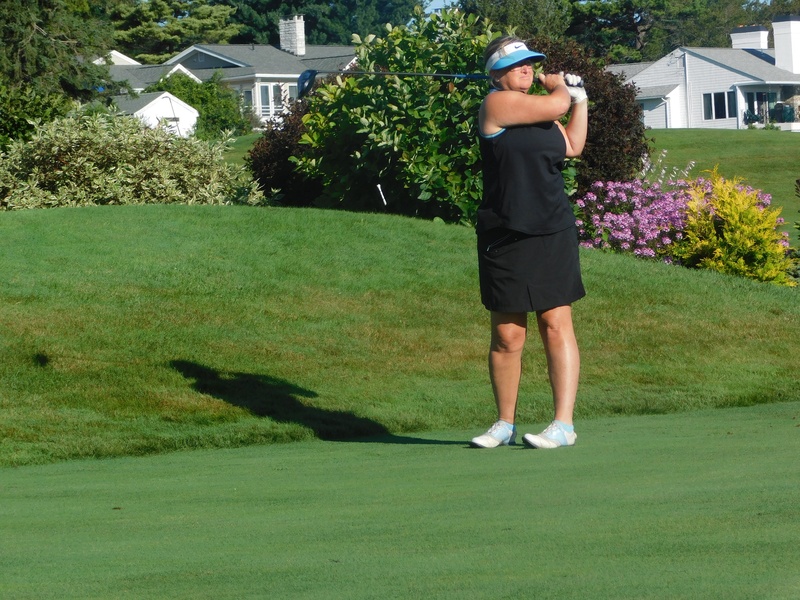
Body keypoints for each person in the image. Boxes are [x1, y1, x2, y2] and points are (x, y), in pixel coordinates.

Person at [469, 36, 589, 449]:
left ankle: (563, 424)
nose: (527, 68)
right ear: (496, 74)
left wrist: (581, 100)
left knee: (555, 324)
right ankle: (504, 424)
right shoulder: (496, 104)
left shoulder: (541, 112)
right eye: (517, 64)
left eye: (530, 63)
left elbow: (572, 145)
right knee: (507, 335)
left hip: (551, 229)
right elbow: (556, 105)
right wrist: (561, 88)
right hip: (505, 232)